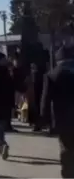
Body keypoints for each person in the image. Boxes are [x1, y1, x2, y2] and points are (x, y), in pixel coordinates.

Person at [41, 45, 74, 179]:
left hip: (63, 120)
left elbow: (46, 99)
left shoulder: (52, 74)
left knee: (66, 149)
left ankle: (68, 175)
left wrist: (44, 119)